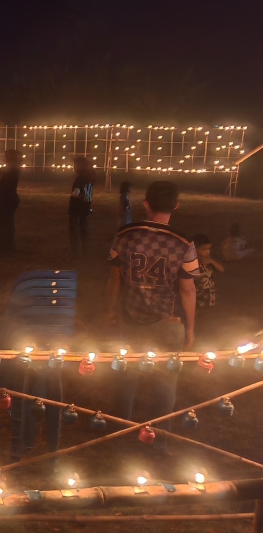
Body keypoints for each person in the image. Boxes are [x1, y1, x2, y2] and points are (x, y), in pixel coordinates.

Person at [107, 181, 199, 451]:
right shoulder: (183, 243)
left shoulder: (125, 234)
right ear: (176, 206)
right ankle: (160, 438)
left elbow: (115, 279)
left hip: (129, 317)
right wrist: (190, 329)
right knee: (165, 381)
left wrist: (111, 312)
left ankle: (117, 435)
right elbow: (187, 288)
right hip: (168, 322)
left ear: (145, 203)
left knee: (125, 377)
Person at [0, 149, 22, 254]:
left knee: (2, 223)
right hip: (10, 199)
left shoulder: (12, 170)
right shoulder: (13, 169)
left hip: (7, 199)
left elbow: (7, 186)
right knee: (7, 223)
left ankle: (1, 248)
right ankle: (8, 246)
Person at [68, 156, 96, 257]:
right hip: (85, 207)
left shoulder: (80, 179)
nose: (73, 167)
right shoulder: (90, 177)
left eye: (75, 165)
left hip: (76, 207)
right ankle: (85, 249)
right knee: (83, 228)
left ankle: (76, 252)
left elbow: (76, 193)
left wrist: (75, 194)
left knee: (75, 230)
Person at [191, 233, 223, 308]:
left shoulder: (209, 260)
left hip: (209, 293)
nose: (207, 252)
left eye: (208, 249)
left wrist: (212, 262)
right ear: (194, 249)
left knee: (208, 312)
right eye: (204, 249)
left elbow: (221, 269)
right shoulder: (191, 262)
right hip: (197, 295)